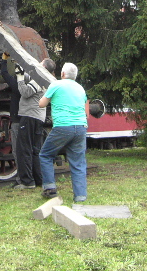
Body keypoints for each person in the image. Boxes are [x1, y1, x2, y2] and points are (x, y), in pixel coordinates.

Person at [38, 62, 88, 202]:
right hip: (81, 127)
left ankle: (50, 188)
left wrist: (46, 93)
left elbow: (41, 104)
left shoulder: (56, 85)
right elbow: (86, 112)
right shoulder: (80, 88)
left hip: (63, 126)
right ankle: (80, 196)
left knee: (46, 154)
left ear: (62, 74)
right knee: (78, 162)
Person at [12, 58, 56, 190]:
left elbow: (25, 92)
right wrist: (20, 70)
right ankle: (38, 179)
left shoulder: (39, 79)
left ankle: (27, 182)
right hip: (37, 117)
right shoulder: (42, 78)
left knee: (24, 148)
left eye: (40, 63)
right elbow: (29, 76)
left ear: (43, 67)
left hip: (30, 116)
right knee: (36, 150)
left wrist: (19, 77)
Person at [0, 52, 22, 186]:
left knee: (17, 151)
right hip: (27, 119)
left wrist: (4, 60)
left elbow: (5, 74)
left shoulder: (16, 86)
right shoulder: (31, 85)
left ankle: (20, 179)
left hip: (17, 121)